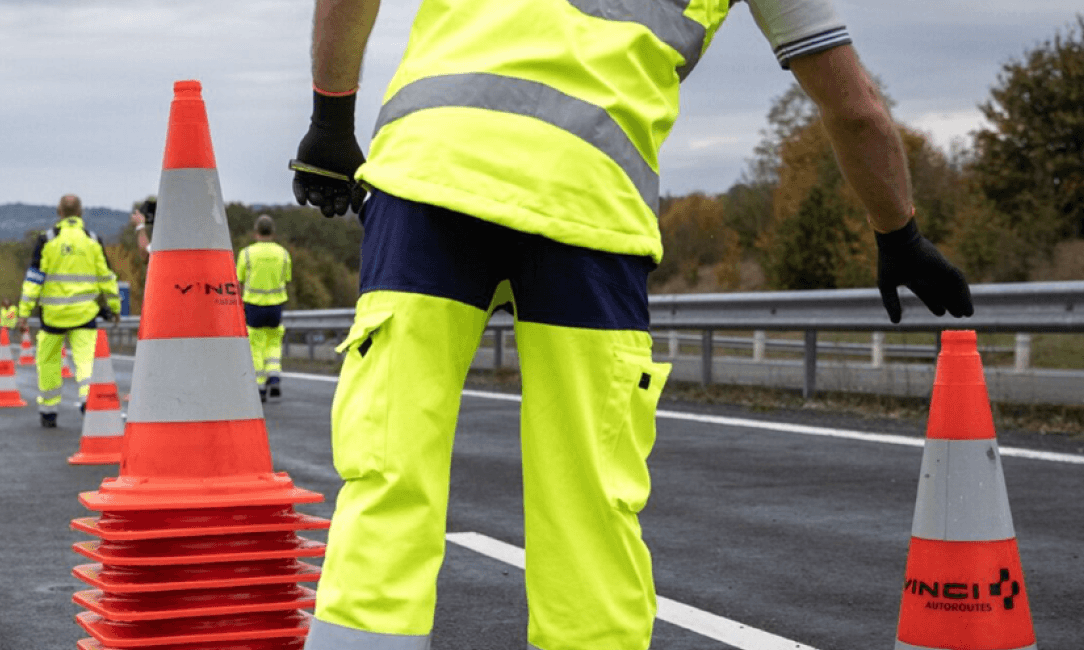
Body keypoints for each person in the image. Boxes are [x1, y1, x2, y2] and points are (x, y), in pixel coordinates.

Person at [290, 1, 975, 648]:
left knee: (389, 472)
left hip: (428, 185)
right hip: (589, 206)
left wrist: (329, 121)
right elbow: (852, 108)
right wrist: (899, 233)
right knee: (588, 504)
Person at [19, 194, 122, 428]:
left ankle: (48, 411)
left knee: (48, 362)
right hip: (84, 314)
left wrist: (23, 312)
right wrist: (115, 307)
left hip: (52, 317)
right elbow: (107, 277)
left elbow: (33, 280)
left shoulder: (47, 239)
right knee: (86, 361)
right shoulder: (93, 240)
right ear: (81, 212)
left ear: (59, 212)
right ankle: (88, 400)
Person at [237, 214, 293, 401]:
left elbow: (239, 280)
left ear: (255, 232)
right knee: (274, 341)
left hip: (253, 305)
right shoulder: (283, 254)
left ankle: (260, 386)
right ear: (273, 233)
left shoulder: (246, 254)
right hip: (276, 306)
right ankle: (274, 376)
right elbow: (287, 279)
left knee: (256, 345)